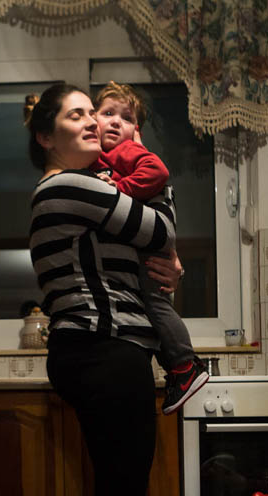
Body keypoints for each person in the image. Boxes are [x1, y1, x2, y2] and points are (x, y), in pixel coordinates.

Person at [25, 83, 183, 496]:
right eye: (76, 116)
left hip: (105, 351)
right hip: (102, 349)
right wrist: (161, 219)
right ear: (46, 136)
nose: (93, 122)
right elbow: (159, 232)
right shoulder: (70, 185)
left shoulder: (91, 185)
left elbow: (152, 246)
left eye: (95, 112)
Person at [93, 81, 208, 415]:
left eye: (125, 118)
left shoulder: (122, 153)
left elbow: (157, 172)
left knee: (156, 305)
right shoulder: (100, 158)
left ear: (136, 131)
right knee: (152, 306)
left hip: (148, 254)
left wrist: (120, 189)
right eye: (107, 113)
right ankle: (178, 368)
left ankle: (186, 365)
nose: (115, 121)